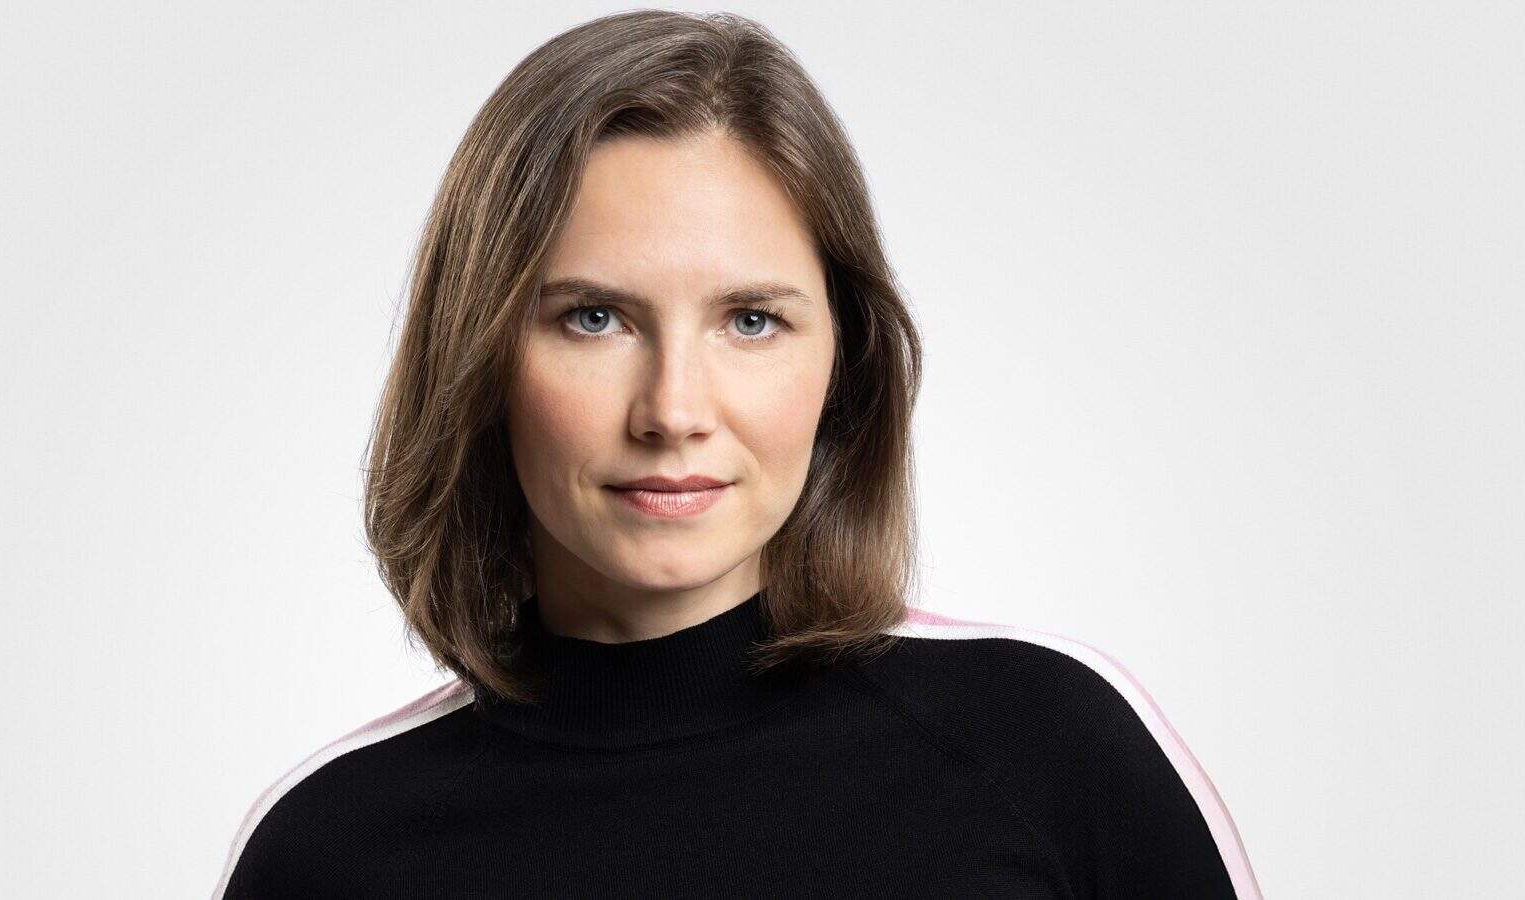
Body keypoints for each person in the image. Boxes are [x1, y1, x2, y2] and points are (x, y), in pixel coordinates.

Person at [211, 10, 1261, 898]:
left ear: (842, 359)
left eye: (751, 321)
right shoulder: (326, 852)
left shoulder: (1050, 751)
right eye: (592, 319)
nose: (673, 410)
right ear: (478, 357)